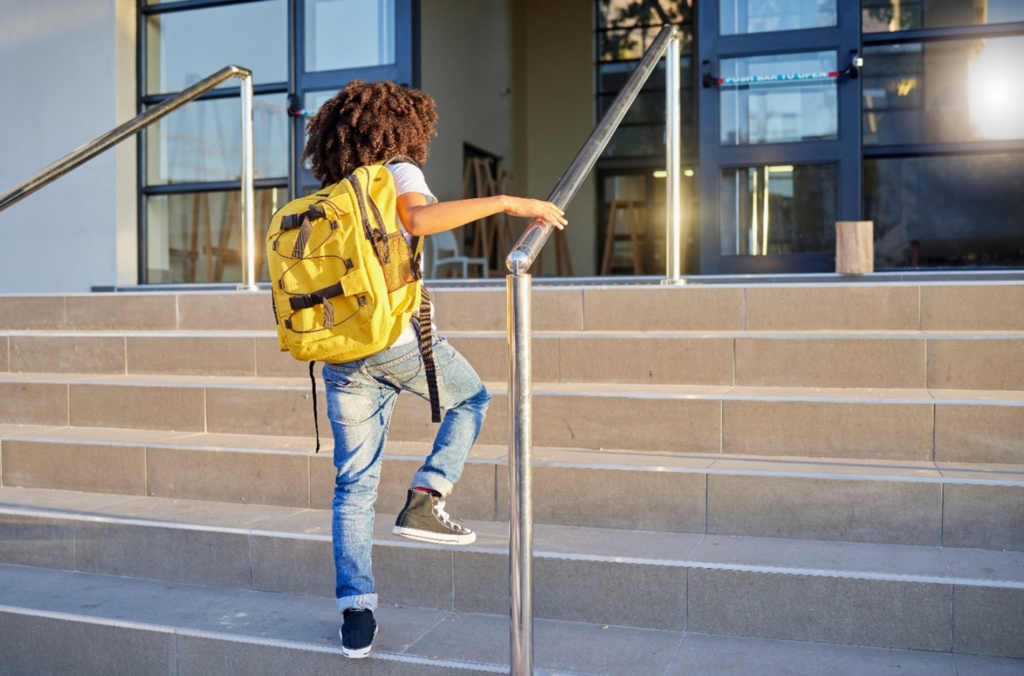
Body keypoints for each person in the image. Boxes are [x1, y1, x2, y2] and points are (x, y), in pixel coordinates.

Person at [300, 80, 567, 659]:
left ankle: (356, 612)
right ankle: (427, 495)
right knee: (472, 399)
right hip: (394, 340)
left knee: (353, 486)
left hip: (340, 353)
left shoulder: (335, 189)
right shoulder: (397, 171)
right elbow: (418, 221)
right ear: (404, 128)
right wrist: (506, 203)